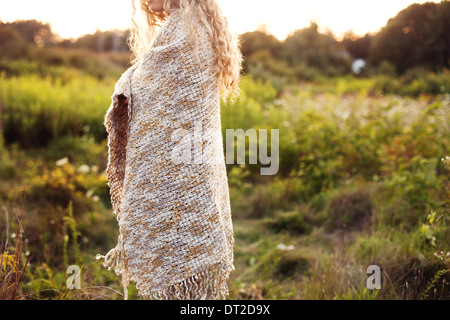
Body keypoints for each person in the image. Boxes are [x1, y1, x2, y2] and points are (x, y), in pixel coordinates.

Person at [96, 0, 243, 300]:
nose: (147, 2)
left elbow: (150, 87)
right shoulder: (201, 24)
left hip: (181, 168)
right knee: (188, 262)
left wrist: (126, 82)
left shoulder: (183, 28)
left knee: (180, 252)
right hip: (194, 166)